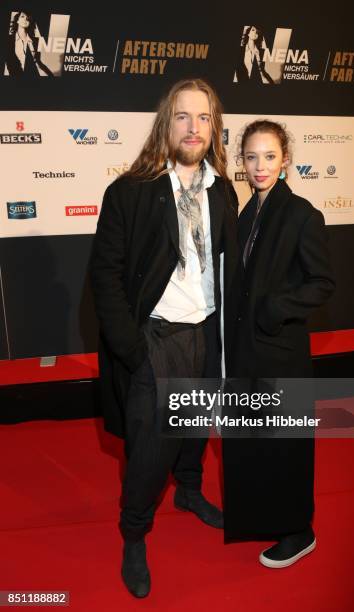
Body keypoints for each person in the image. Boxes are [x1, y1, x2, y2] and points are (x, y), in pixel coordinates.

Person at [90, 79, 237, 598]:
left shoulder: (223, 188)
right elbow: (104, 278)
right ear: (165, 123)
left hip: (208, 333)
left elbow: (226, 267)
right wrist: (136, 354)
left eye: (204, 118)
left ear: (214, 127)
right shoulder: (129, 191)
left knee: (197, 429)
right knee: (151, 451)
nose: (194, 128)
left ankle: (190, 492)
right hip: (156, 340)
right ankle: (134, 534)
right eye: (183, 117)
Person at [223, 120, 335, 568]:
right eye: (251, 157)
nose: (260, 166)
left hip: (281, 353)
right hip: (247, 352)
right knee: (257, 442)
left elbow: (323, 283)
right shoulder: (247, 212)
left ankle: (298, 531)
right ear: (242, 162)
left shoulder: (302, 214)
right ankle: (264, 518)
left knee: (286, 445)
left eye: (269, 156)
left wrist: (274, 306)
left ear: (285, 158)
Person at [4, 11, 54, 76]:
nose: (25, 19)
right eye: (22, 17)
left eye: (28, 19)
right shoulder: (9, 40)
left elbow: (38, 62)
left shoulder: (36, 41)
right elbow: (9, 63)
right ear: (17, 20)